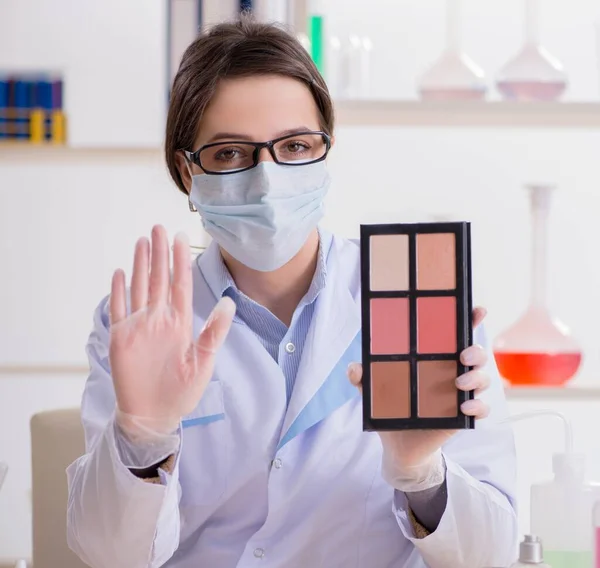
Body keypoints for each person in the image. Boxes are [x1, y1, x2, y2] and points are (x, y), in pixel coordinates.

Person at [66, 16, 517, 568]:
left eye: (296, 146)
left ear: (325, 152)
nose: (267, 177)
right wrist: (144, 437)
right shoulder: (139, 323)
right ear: (187, 173)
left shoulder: (420, 301)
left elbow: (490, 556)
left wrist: (421, 474)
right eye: (230, 153)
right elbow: (107, 556)